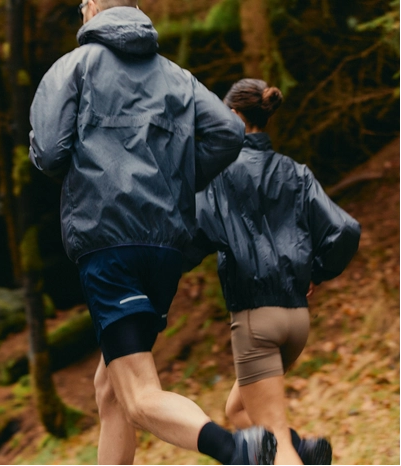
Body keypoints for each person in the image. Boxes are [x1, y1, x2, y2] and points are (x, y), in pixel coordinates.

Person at [29, 2, 278, 465]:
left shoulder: (74, 67)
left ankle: (237, 449)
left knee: (139, 395)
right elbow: (228, 132)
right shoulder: (176, 75)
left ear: (92, 7)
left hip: (109, 243)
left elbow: (47, 152)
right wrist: (173, 180)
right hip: (164, 248)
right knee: (110, 387)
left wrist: (92, 172)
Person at [184, 78, 361, 465]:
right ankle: (303, 451)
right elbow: (345, 230)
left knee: (275, 441)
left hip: (256, 319)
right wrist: (315, 271)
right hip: (296, 319)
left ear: (234, 116)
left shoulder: (220, 175)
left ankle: (291, 452)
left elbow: (192, 234)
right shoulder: (296, 172)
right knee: (238, 410)